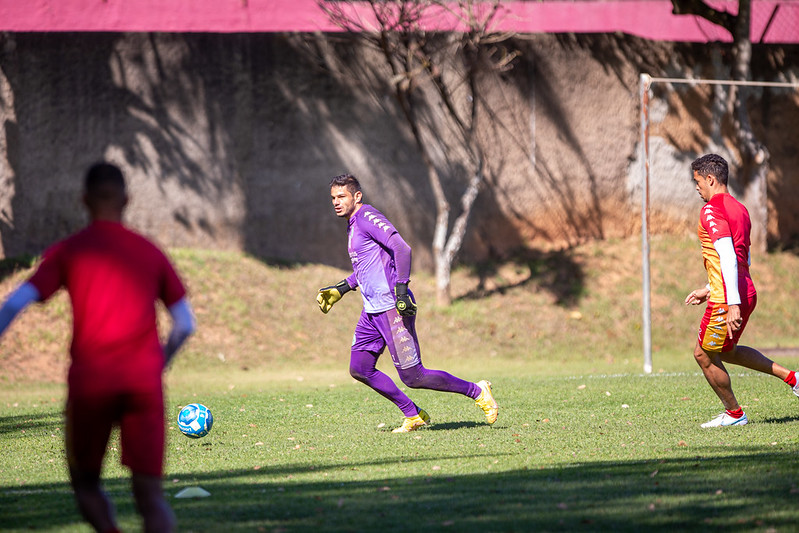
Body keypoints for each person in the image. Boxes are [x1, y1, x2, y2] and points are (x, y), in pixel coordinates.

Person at [0, 162, 195, 532]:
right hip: (142, 382)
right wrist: (159, 364)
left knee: (86, 484)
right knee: (150, 497)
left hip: (91, 382)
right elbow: (186, 324)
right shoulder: (149, 251)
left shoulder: (69, 250)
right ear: (127, 199)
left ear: (84, 200)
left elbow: (14, 303)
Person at [316, 173, 498, 433]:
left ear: (357, 196)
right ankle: (413, 414)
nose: (336, 202)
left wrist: (401, 291)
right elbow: (368, 268)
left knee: (415, 377)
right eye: (333, 197)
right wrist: (343, 288)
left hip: (392, 308)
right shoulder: (352, 224)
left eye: (342, 196)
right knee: (360, 368)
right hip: (372, 312)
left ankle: (477, 391)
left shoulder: (367, 217)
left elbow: (402, 249)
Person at [684, 153, 798, 428]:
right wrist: (708, 288)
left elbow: (727, 255)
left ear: (710, 179)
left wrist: (729, 302)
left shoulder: (711, 210)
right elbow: (740, 258)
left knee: (703, 354)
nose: (697, 188)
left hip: (729, 297)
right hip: (744, 290)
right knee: (728, 350)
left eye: (698, 181)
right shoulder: (740, 208)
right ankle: (793, 378)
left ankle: (734, 414)